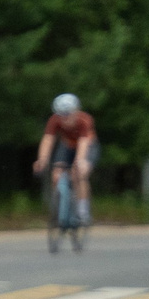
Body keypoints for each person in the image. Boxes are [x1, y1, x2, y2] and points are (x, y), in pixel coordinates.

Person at [32, 93, 97, 224]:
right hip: (67, 146)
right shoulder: (54, 120)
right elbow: (48, 140)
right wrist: (42, 159)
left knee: (80, 174)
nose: (65, 118)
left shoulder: (84, 120)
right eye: (61, 115)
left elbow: (83, 143)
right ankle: (58, 210)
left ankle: (83, 212)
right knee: (56, 174)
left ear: (76, 112)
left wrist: (80, 162)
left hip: (87, 146)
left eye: (68, 114)